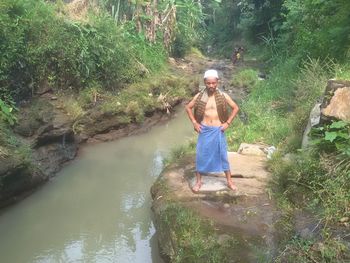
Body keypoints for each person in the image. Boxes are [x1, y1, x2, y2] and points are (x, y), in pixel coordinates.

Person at [185, 69, 240, 192]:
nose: (211, 86)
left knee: (222, 155)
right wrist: (194, 123)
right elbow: (188, 107)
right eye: (208, 83)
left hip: (218, 130)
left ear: (217, 82)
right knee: (201, 155)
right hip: (204, 130)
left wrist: (227, 123)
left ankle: (229, 181)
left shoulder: (223, 96)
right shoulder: (199, 96)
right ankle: (199, 182)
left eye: (213, 83)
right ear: (204, 82)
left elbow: (235, 108)